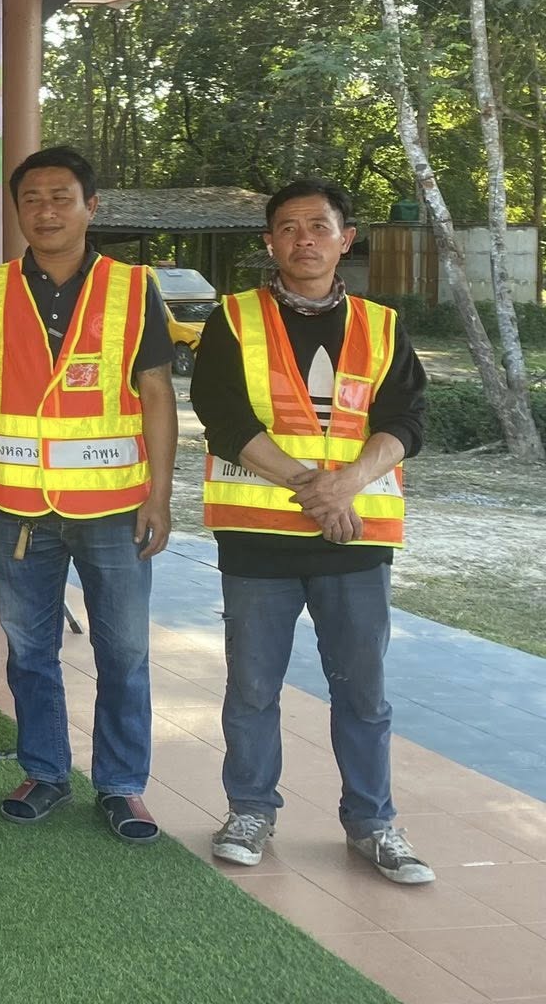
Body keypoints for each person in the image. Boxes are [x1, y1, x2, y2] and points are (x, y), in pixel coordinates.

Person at [191, 179, 432, 884]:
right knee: (252, 687)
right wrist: (316, 489)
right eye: (289, 228)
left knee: (363, 692)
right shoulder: (233, 319)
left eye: (319, 226)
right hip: (257, 540)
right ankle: (249, 810)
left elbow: (406, 421)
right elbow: (224, 420)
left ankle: (373, 822)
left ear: (345, 239)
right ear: (270, 242)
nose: (304, 240)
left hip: (355, 540)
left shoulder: (382, 326)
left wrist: (346, 485)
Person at [0, 146, 177, 843]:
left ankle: (121, 785)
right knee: (29, 651)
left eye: (61, 197)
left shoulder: (133, 287)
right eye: (32, 199)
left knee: (124, 653)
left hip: (114, 506)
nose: (46, 211)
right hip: (17, 505)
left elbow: (156, 393)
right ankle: (45, 772)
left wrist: (160, 494)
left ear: (90, 207)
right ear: (16, 210)